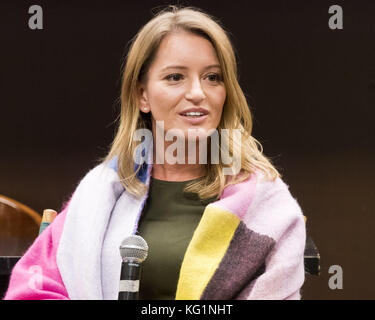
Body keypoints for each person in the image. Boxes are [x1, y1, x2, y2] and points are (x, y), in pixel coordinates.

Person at [4, 6, 306, 300]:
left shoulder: (266, 204)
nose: (198, 93)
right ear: (142, 95)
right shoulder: (100, 192)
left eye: (212, 77)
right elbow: (35, 287)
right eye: (175, 77)